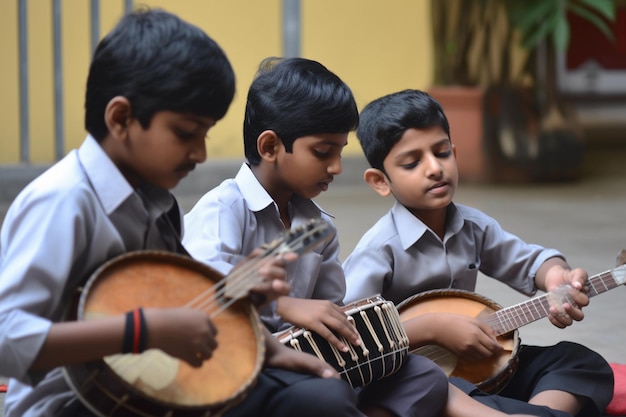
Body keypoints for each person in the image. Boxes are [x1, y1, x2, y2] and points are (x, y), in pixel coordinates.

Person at [0, 9, 365, 417]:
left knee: (322, 398)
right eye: (185, 133)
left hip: (159, 382)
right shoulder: (63, 201)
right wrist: (143, 331)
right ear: (121, 118)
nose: (201, 153)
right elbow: (6, 338)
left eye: (205, 134)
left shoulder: (158, 204)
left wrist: (265, 346)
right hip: (73, 403)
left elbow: (191, 304)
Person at [182, 57, 538, 417]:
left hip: (305, 362)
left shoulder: (316, 227)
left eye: (339, 152)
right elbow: (200, 290)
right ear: (270, 147)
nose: (336, 167)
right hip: (233, 365)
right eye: (323, 153)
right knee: (328, 397)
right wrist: (284, 306)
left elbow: (334, 312)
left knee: (422, 374)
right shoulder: (224, 209)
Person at [342, 88, 614, 417]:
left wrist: (557, 276)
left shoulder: (474, 226)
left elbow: (529, 262)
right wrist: (433, 328)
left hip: (480, 370)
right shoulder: (378, 249)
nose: (434, 168)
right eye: (412, 162)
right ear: (380, 181)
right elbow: (352, 335)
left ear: (454, 153)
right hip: (419, 378)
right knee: (432, 387)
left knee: (579, 362)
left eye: (441, 153)